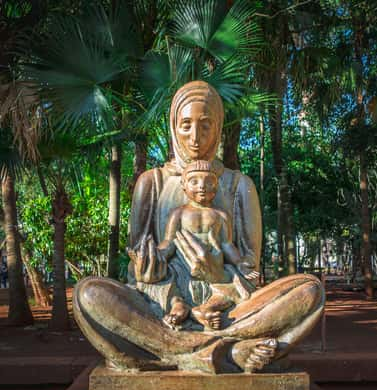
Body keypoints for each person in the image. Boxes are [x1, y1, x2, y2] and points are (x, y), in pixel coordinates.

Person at [73, 81, 324, 374]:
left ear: (218, 127)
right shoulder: (152, 183)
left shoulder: (238, 185)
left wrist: (217, 273)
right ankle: (226, 351)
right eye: (186, 125)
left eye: (205, 125)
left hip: (229, 309)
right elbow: (138, 271)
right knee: (88, 294)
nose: (195, 137)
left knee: (310, 291)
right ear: (173, 126)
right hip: (165, 311)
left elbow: (249, 269)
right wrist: (145, 269)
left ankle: (180, 352)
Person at [157, 160, 259, 330]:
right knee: (168, 281)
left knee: (234, 290)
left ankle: (205, 309)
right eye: (194, 181)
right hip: (183, 266)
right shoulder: (179, 213)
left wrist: (239, 262)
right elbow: (169, 241)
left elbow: (227, 244)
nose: (202, 186)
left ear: (216, 186)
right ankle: (178, 305)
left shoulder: (220, 215)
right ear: (184, 185)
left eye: (208, 182)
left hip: (215, 269)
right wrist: (157, 254)